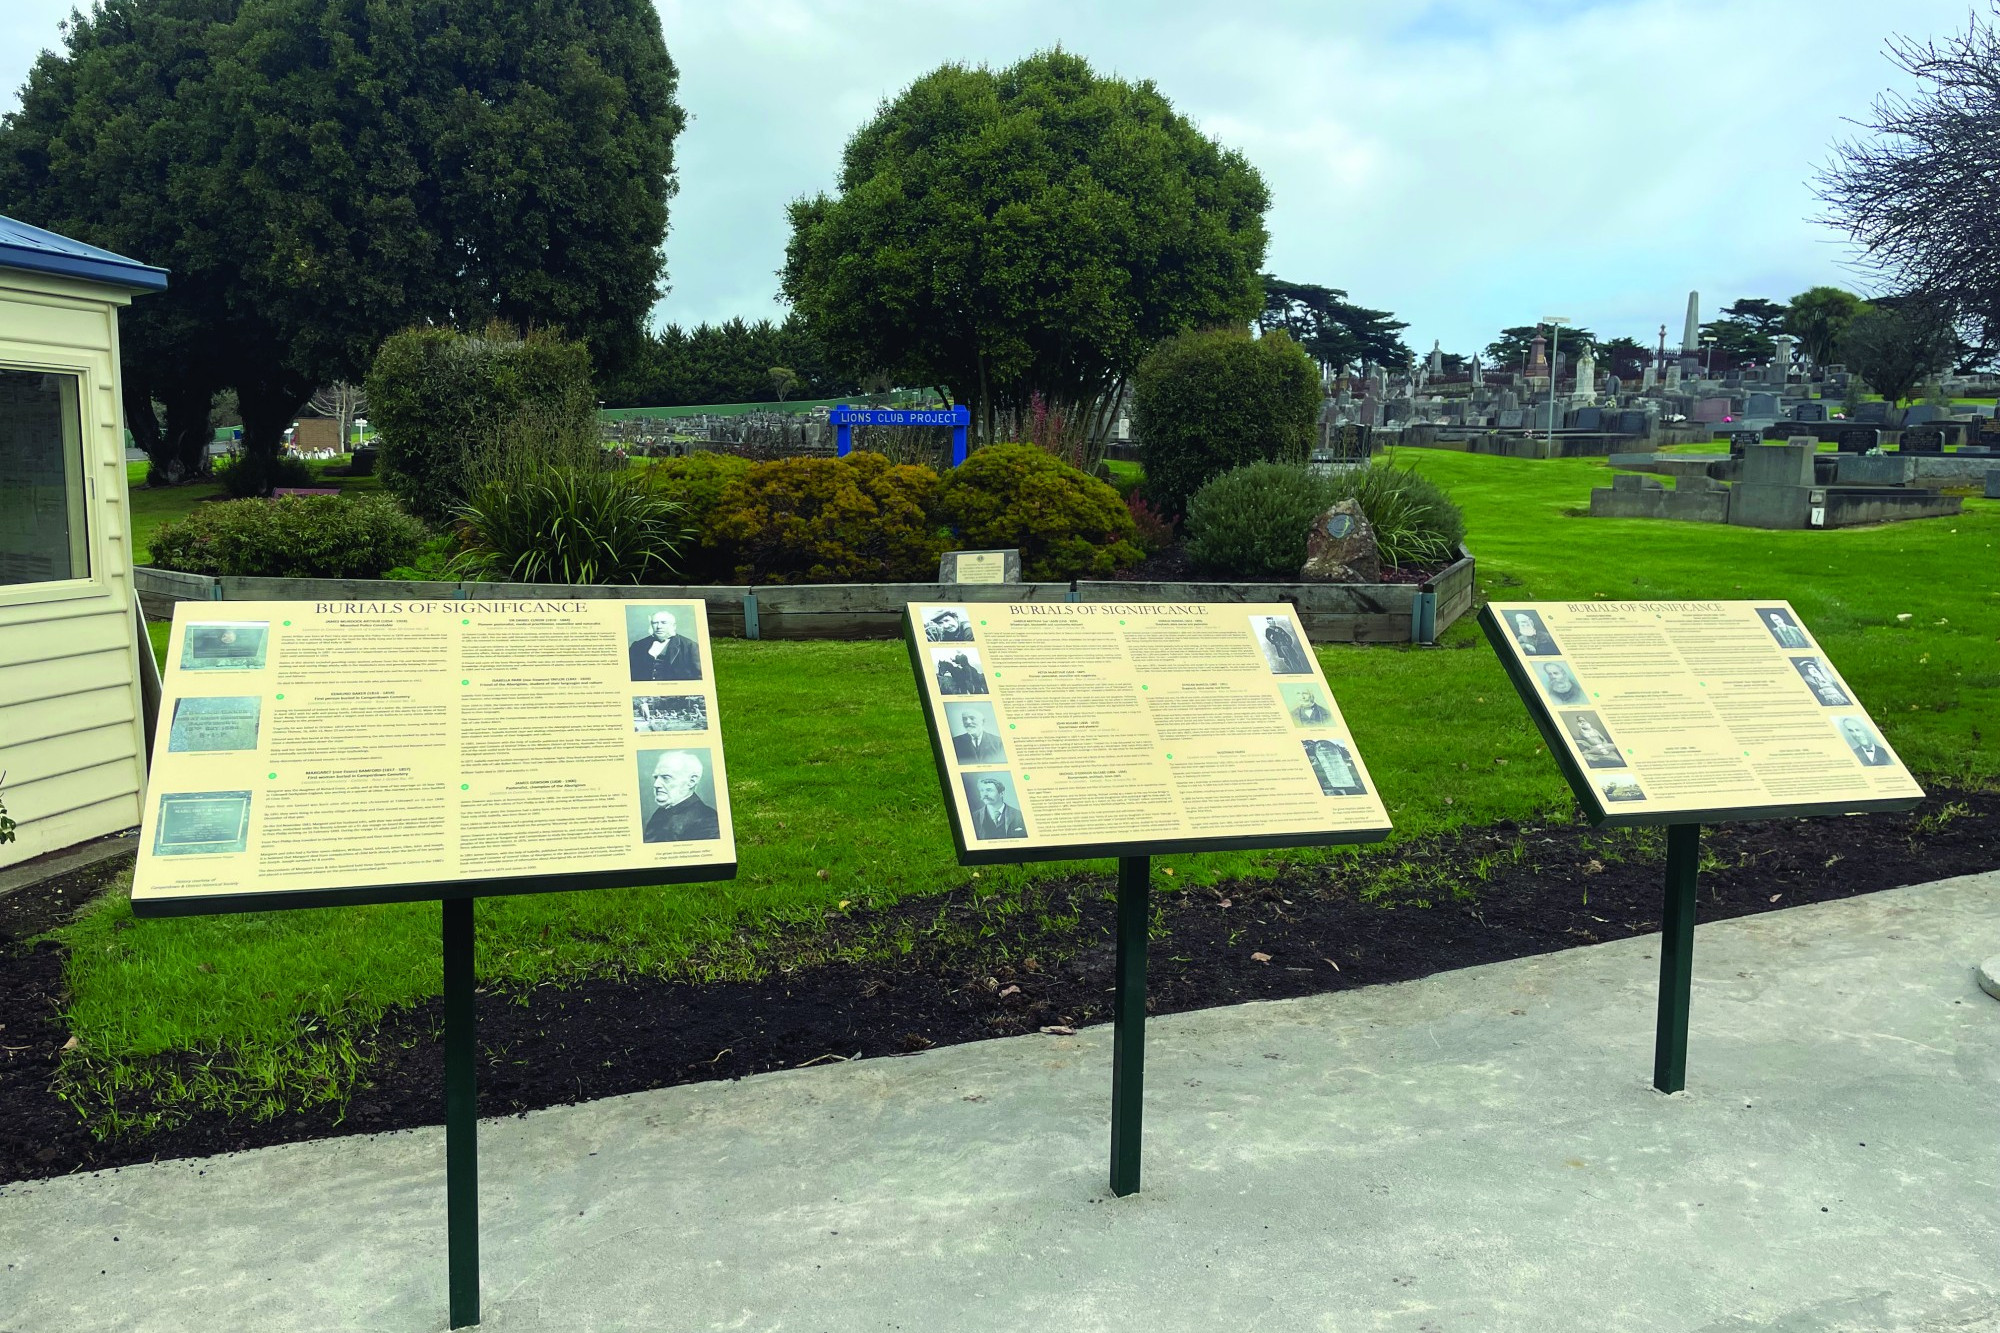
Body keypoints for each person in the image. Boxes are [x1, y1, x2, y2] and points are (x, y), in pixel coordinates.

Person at [643, 751, 720, 842]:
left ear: (691, 781)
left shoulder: (708, 820)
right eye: (656, 777)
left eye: (666, 778)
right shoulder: (661, 812)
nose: (656, 784)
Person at [630, 609, 700, 682]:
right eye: (655, 623)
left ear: (673, 626)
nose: (659, 626)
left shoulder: (690, 646)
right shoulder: (637, 646)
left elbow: (699, 677)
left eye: (664, 623)